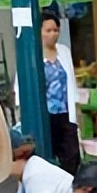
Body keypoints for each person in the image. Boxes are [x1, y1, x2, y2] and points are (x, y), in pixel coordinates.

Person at [14, 12, 80, 175]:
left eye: (56, 30)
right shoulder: (31, 56)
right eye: (48, 30)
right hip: (43, 116)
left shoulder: (64, 52)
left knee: (71, 156)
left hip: (64, 113)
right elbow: (20, 86)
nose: (53, 34)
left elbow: (71, 81)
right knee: (44, 156)